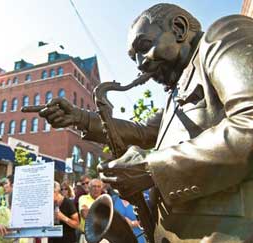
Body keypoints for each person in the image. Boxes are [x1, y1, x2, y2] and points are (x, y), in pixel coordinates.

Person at [24, 3, 253, 242]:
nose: (140, 63)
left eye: (144, 47)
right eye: (134, 58)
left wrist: (151, 168)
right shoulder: (174, 92)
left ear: (179, 28)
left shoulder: (223, 35)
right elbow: (143, 132)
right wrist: (80, 118)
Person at [78, 179, 103, 243]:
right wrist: (100, 214)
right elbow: (85, 215)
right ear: (89, 188)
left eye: (98, 186)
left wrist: (90, 210)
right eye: (94, 186)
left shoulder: (105, 199)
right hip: (87, 237)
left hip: (102, 237)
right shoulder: (83, 198)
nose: (96, 189)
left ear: (101, 189)